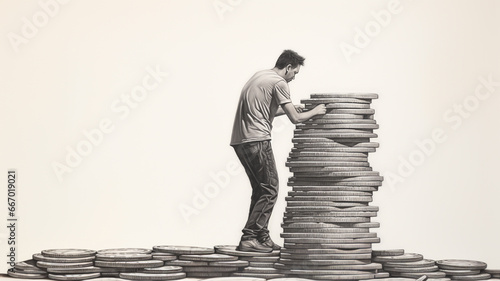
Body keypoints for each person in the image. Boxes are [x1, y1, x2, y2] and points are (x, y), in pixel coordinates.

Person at [230, 50, 327, 253]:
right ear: (288, 67)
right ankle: (249, 237)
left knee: (260, 189)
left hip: (241, 141)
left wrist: (294, 108)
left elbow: (267, 109)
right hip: (257, 140)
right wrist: (315, 111)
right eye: (295, 73)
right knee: (270, 189)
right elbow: (296, 119)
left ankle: (261, 237)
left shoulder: (260, 76)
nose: (294, 78)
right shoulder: (279, 82)